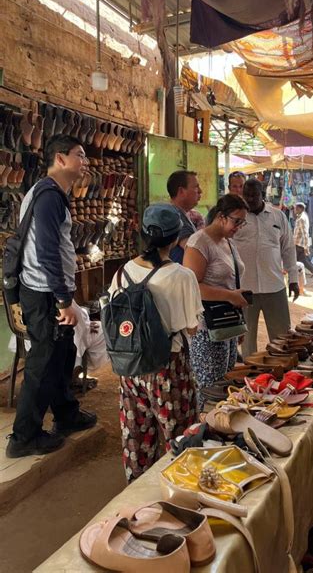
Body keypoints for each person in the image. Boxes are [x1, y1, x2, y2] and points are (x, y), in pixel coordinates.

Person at [6, 135, 96, 459]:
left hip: (47, 291)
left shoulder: (52, 194)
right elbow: (46, 252)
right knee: (42, 362)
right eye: (79, 155)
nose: (84, 162)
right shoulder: (48, 197)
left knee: (61, 353)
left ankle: (66, 414)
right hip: (43, 294)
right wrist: (63, 300)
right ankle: (23, 437)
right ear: (60, 158)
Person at [109, 203, 202, 482]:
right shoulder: (182, 276)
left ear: (143, 235)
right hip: (168, 367)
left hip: (131, 366)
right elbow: (192, 328)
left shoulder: (121, 272)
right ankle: (179, 489)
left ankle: (139, 493)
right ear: (175, 239)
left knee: (137, 435)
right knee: (179, 434)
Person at [183, 194, 248, 403]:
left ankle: (219, 428)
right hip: (206, 326)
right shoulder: (199, 242)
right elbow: (192, 286)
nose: (239, 226)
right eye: (236, 221)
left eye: (242, 222)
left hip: (226, 322)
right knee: (209, 387)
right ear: (221, 216)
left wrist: (239, 319)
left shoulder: (228, 242)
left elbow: (232, 281)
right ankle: (203, 430)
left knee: (224, 382)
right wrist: (230, 296)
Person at [233, 178, 299, 357]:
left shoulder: (278, 216)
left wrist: (294, 279)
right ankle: (251, 377)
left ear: (262, 195)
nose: (250, 199)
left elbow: (288, 249)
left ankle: (282, 374)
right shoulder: (237, 218)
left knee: (282, 336)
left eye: (254, 195)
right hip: (244, 290)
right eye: (246, 195)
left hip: (274, 286)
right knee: (246, 339)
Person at [167, 170, 202, 263]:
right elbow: (193, 249)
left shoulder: (180, 214)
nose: (200, 191)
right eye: (196, 187)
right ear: (181, 191)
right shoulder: (175, 216)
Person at [293, 202, 313, 283]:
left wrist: (306, 247)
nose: (294, 210)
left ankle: (296, 282)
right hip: (299, 244)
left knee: (294, 263)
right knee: (305, 262)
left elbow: (305, 234)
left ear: (300, 209)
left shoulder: (301, 219)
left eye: (296, 208)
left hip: (299, 245)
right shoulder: (303, 216)